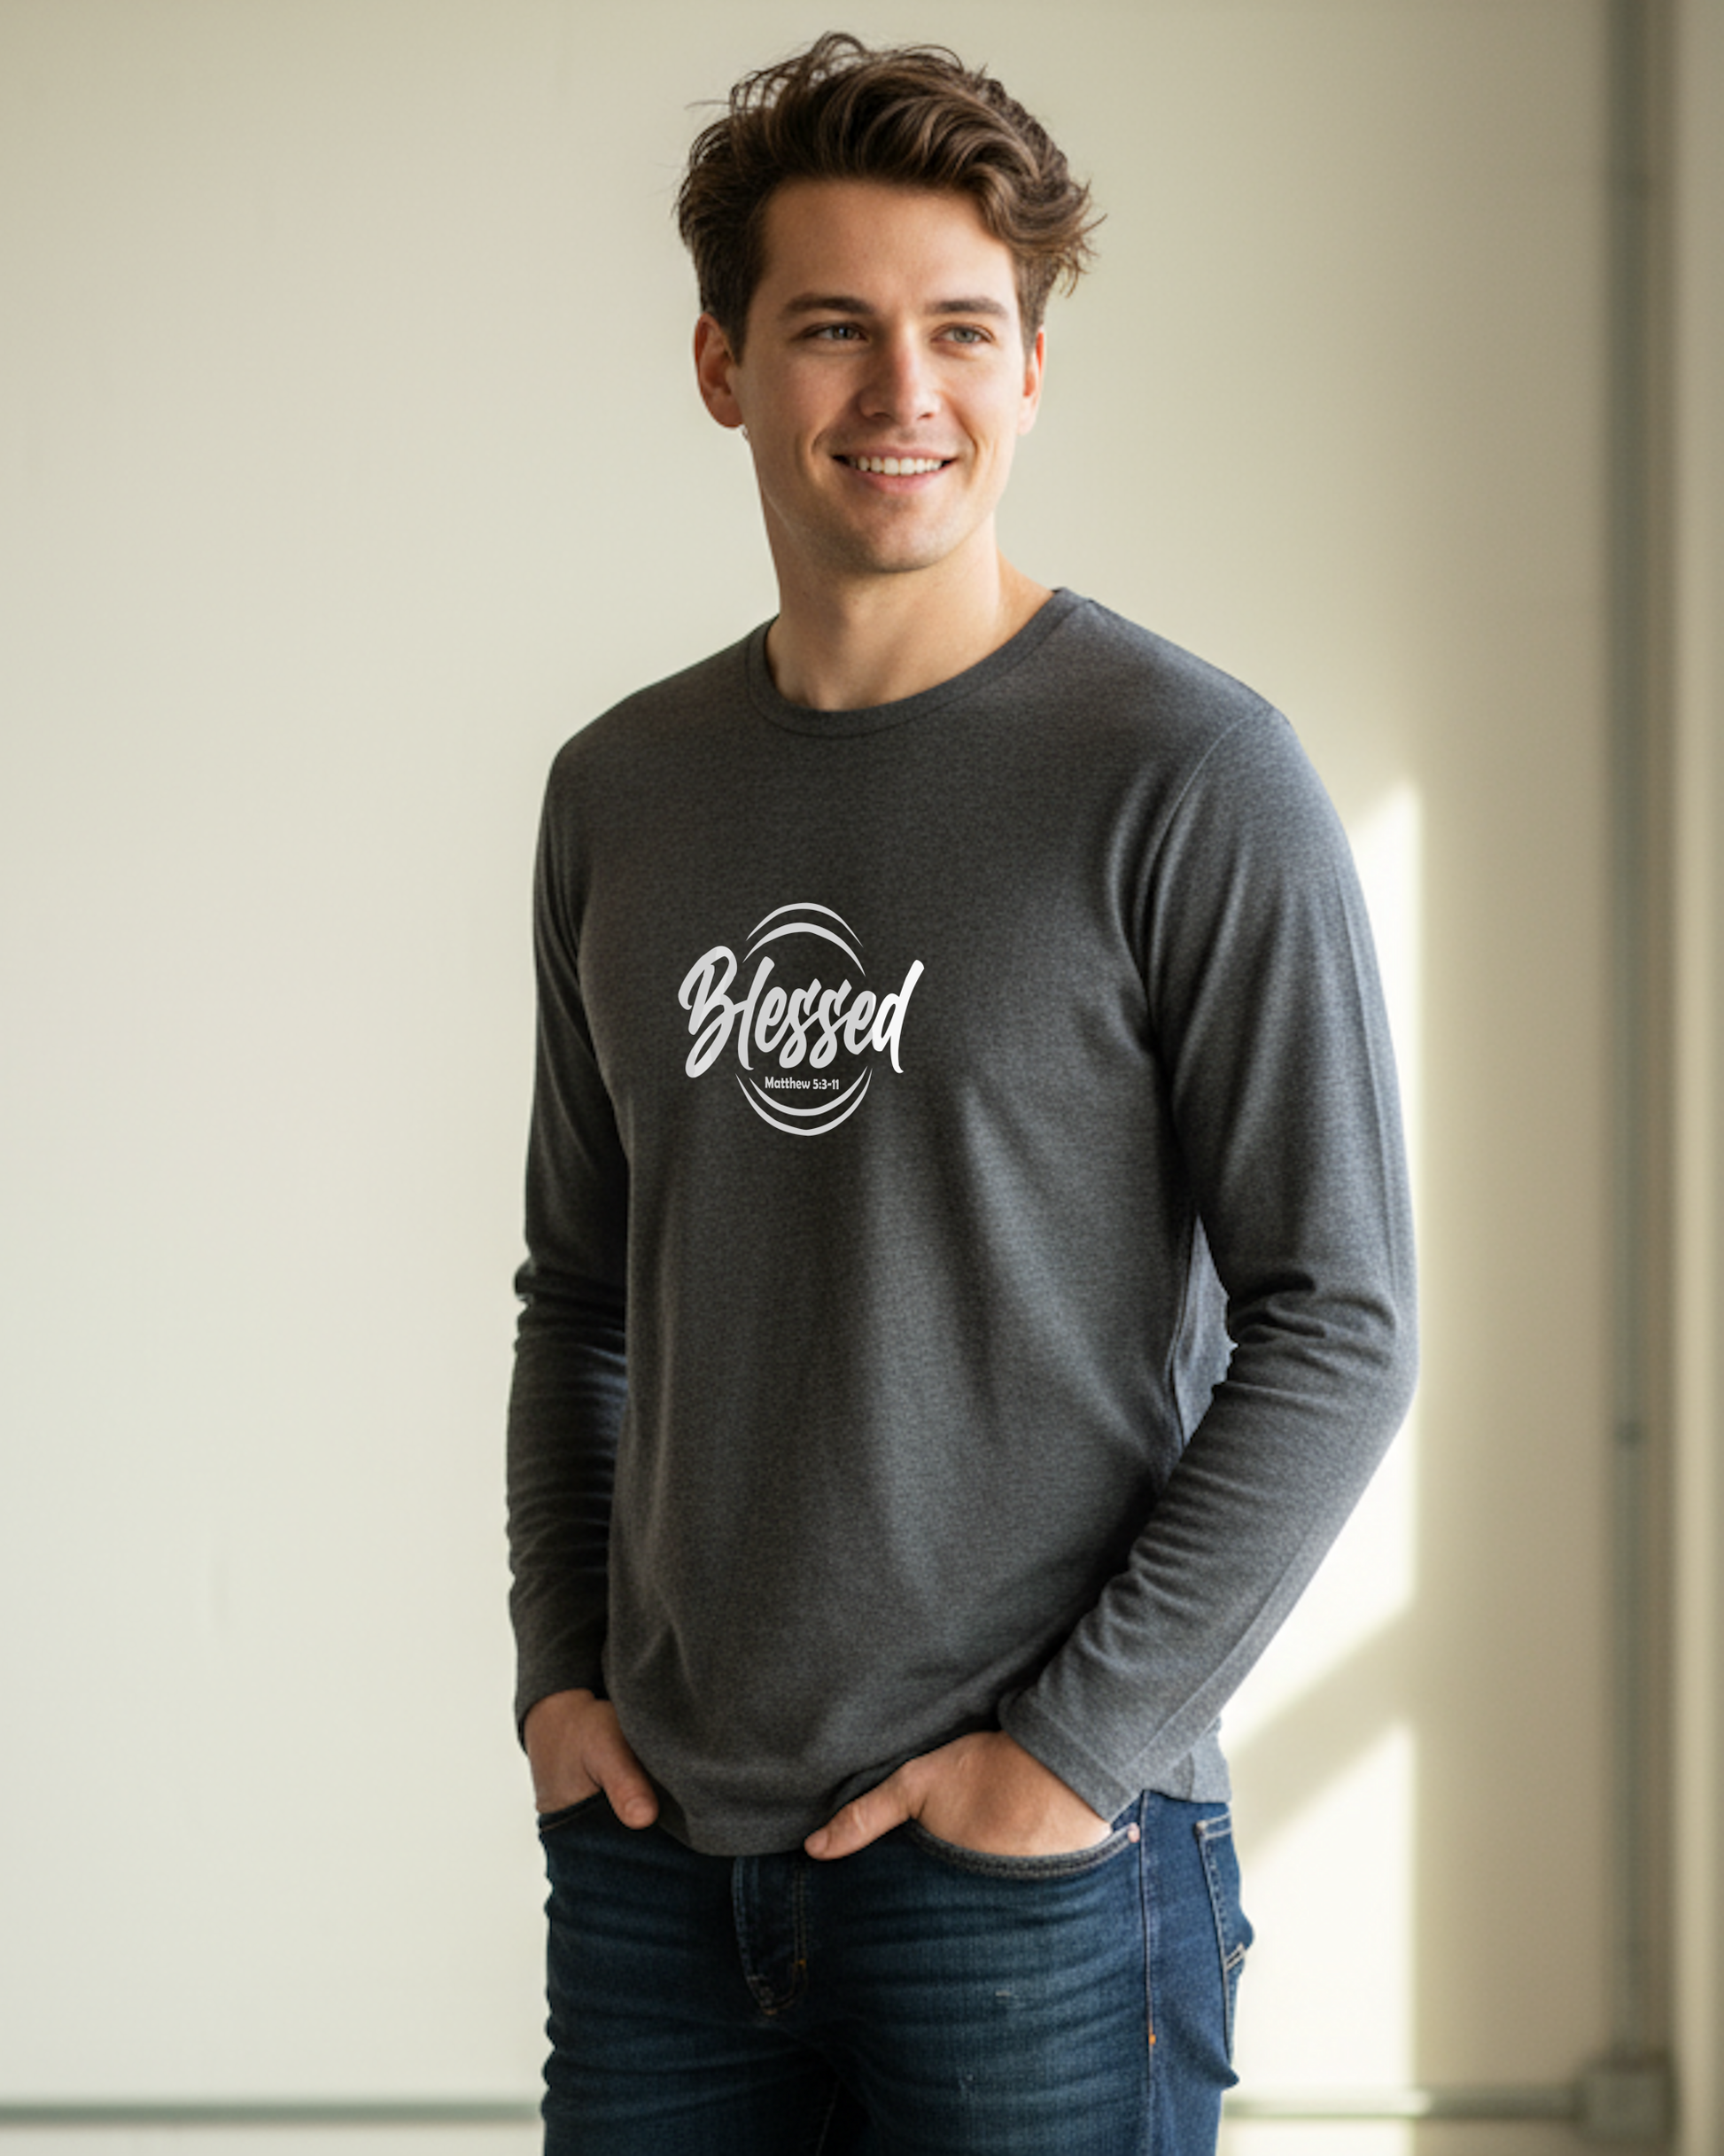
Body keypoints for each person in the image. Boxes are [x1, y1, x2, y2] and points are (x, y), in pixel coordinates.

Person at [506, 31, 1417, 2156]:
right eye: (834, 330)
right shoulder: (617, 791)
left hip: (1033, 1880)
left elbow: (1339, 1319)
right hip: (657, 1872)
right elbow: (581, 1290)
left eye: (961, 331)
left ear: (1028, 369)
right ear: (724, 363)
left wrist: (1067, 1763)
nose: (902, 394)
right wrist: (563, 1682)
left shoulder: (1189, 778)